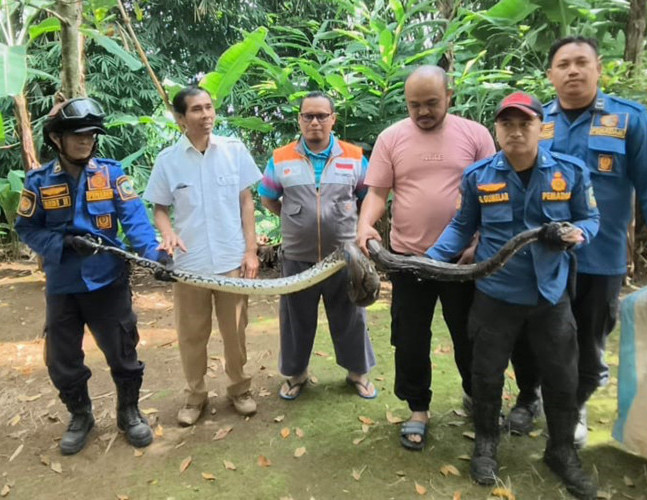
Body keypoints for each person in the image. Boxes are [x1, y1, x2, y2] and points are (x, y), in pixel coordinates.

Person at [507, 36, 647, 447]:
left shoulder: (628, 120)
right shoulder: (536, 122)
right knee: (531, 335)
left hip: (600, 257)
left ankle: (574, 408)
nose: (572, 71)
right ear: (550, 75)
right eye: (563, 64)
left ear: (598, 69)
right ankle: (530, 397)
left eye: (581, 62)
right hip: (541, 259)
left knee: (589, 346)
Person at [427, 92, 599, 499]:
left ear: (541, 128)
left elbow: (590, 216)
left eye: (525, 124)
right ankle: (486, 444)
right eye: (507, 124)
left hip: (550, 295)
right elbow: (461, 225)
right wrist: (432, 259)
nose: (516, 131)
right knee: (486, 375)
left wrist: (579, 233)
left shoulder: (570, 172)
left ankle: (560, 451)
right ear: (497, 130)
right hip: (494, 294)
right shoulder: (478, 176)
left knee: (561, 377)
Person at [15, 97, 171, 455]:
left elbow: (136, 222)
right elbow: (26, 228)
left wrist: (155, 258)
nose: (86, 141)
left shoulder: (113, 175)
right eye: (77, 135)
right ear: (57, 138)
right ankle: (80, 415)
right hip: (63, 286)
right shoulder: (38, 182)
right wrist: (62, 242)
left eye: (90, 135)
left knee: (123, 350)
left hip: (108, 281)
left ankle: (128, 411)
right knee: (62, 358)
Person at [356, 65, 496, 450]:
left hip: (462, 261)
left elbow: (494, 194)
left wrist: (479, 240)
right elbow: (376, 194)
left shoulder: (476, 135)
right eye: (414, 104)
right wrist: (365, 225)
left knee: (471, 335)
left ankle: (476, 396)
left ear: (449, 96)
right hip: (408, 259)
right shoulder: (391, 138)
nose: (423, 112)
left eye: (431, 103)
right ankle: (418, 408)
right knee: (410, 337)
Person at [143, 86, 262, 426]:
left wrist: (250, 251)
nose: (206, 115)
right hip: (189, 266)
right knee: (192, 335)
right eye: (197, 109)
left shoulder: (233, 151)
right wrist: (167, 233)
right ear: (181, 119)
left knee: (235, 331)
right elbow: (160, 209)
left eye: (209, 107)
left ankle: (239, 389)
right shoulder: (168, 161)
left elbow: (246, 202)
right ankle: (195, 395)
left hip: (230, 261)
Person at [258, 91, 377, 400]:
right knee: (296, 318)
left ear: (332, 119)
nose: (314, 122)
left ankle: (358, 373)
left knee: (350, 315)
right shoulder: (281, 157)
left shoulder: (353, 155)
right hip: (298, 255)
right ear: (299, 119)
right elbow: (269, 197)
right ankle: (296, 375)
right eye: (307, 116)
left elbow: (370, 199)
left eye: (321, 116)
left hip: (344, 254)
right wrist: (297, 217)